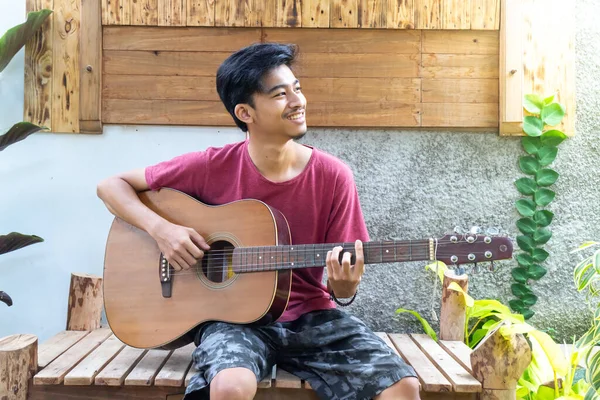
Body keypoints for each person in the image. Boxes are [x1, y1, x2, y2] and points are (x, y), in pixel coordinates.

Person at [97, 42, 420, 400]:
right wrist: (163, 231)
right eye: (280, 94)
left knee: (403, 388)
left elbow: (343, 282)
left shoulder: (334, 175)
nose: (298, 101)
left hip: (312, 318)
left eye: (297, 88)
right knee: (231, 387)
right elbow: (111, 186)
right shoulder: (211, 166)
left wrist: (344, 288)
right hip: (233, 320)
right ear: (245, 112)